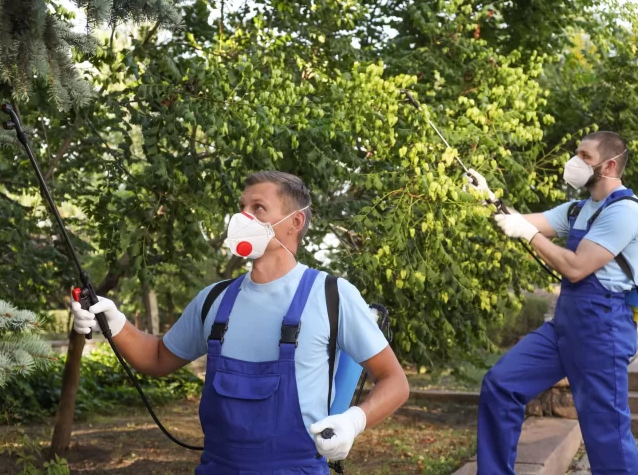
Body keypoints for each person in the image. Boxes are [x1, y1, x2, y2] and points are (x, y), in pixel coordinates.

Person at [71, 170, 410, 474]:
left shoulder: (331, 295)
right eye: (241, 206)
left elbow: (394, 381)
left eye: (258, 208)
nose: (242, 217)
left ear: (295, 222)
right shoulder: (213, 300)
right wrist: (114, 322)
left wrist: (353, 423)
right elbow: (158, 358)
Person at [467, 131, 638, 475]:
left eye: (584, 156)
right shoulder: (577, 208)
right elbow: (522, 222)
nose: (574, 163)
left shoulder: (624, 212)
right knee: (501, 385)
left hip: (602, 328)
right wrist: (486, 197)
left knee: (606, 434)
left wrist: (527, 233)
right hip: (565, 325)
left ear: (608, 165)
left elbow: (575, 268)